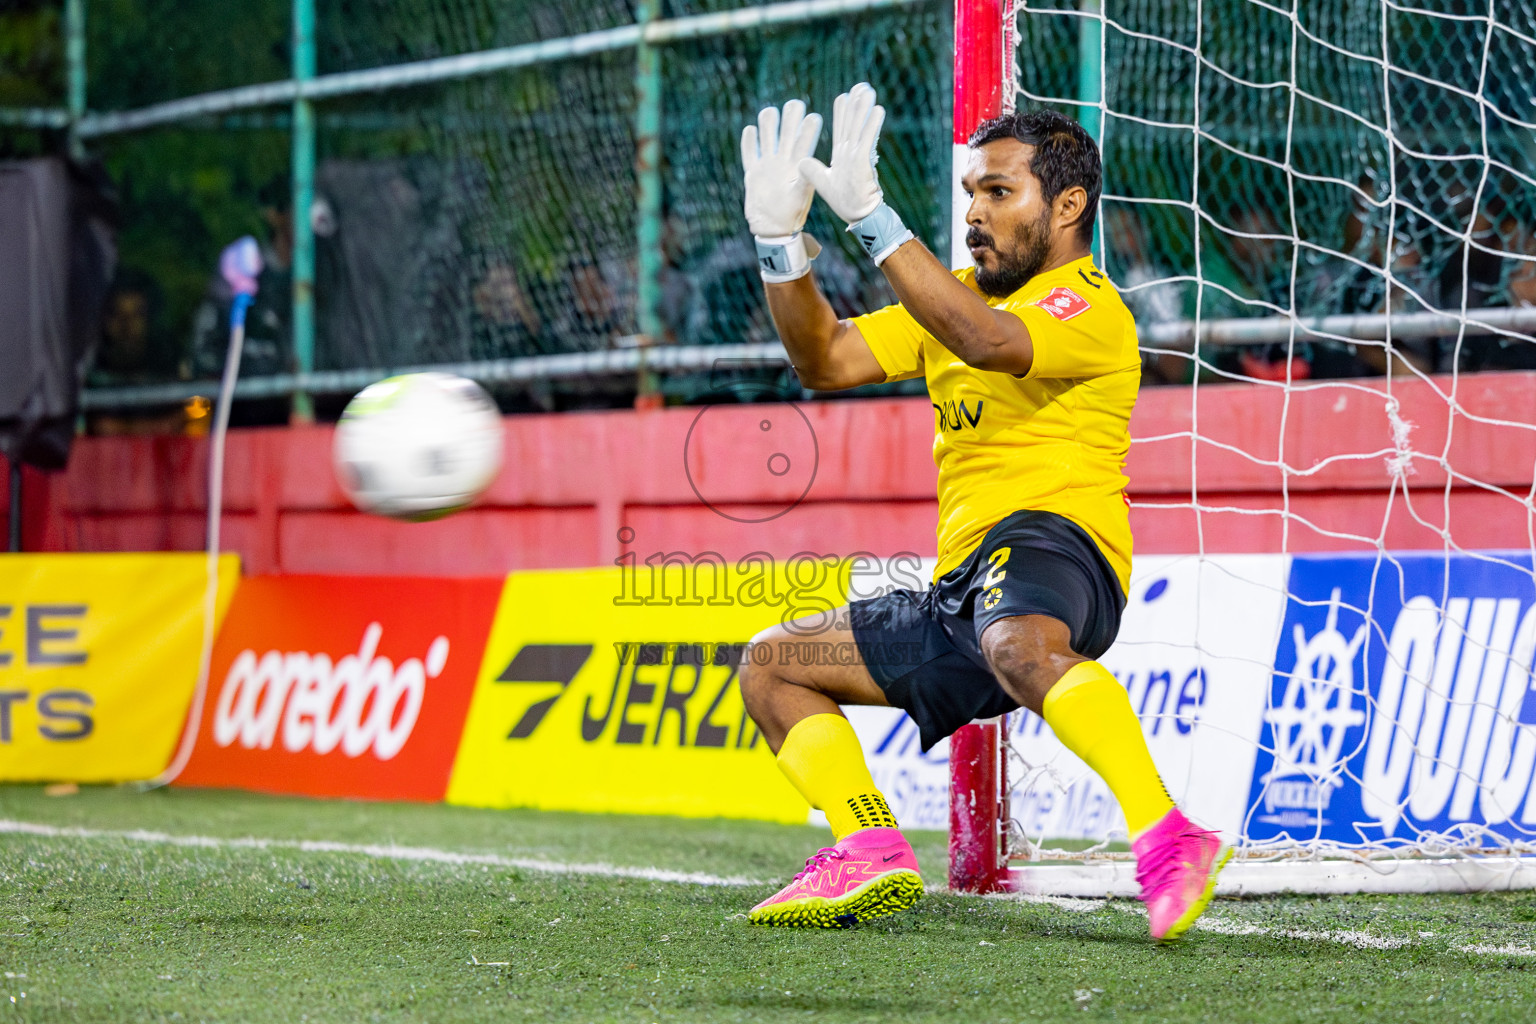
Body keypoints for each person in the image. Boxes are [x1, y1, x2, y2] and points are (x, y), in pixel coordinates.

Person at [734, 86, 1228, 942]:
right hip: (965, 586)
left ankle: (1168, 834)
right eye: (970, 193)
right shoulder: (951, 298)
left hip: (1057, 548)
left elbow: (990, 344)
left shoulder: (1089, 306)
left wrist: (876, 221)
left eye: (999, 193)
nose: (975, 212)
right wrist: (782, 247)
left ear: (1068, 206)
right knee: (775, 665)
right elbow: (825, 357)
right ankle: (865, 844)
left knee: (1017, 641)